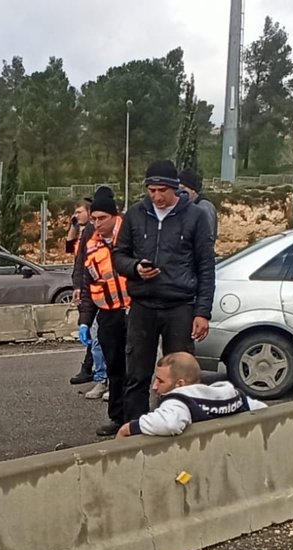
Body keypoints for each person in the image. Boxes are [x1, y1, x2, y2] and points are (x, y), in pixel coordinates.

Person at [113, 159, 216, 428]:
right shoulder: (135, 215)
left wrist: (202, 311)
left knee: (180, 374)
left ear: (175, 189)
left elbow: (206, 266)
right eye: (152, 190)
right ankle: (135, 428)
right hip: (143, 305)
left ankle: (176, 422)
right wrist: (135, 268)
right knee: (137, 372)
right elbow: (119, 256)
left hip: (179, 305)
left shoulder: (196, 217)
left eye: (162, 191)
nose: (157, 196)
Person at [78, 186, 131, 435]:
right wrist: (85, 321)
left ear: (114, 216)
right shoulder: (91, 247)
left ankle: (136, 417)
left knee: (136, 369)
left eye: (102, 218)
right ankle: (117, 418)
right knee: (115, 369)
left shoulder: (132, 235)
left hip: (134, 311)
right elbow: (89, 287)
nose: (97, 223)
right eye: (95, 218)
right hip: (108, 314)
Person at [115, 352, 265, 438]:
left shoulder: (179, 400)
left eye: (160, 381)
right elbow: (263, 409)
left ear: (180, 384)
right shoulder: (232, 395)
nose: (154, 387)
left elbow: (170, 423)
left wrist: (129, 427)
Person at [66, 199, 102, 386]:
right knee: (91, 330)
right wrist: (74, 224)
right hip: (82, 283)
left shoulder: (92, 231)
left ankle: (91, 369)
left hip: (92, 287)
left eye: (80, 211)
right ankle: (89, 367)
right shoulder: (83, 232)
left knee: (95, 331)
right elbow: (68, 245)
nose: (76, 215)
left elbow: (85, 262)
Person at [179, 168, 218, 244]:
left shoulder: (204, 207)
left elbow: (207, 236)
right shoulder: (186, 206)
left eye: (182, 188)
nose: (179, 192)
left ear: (193, 190)